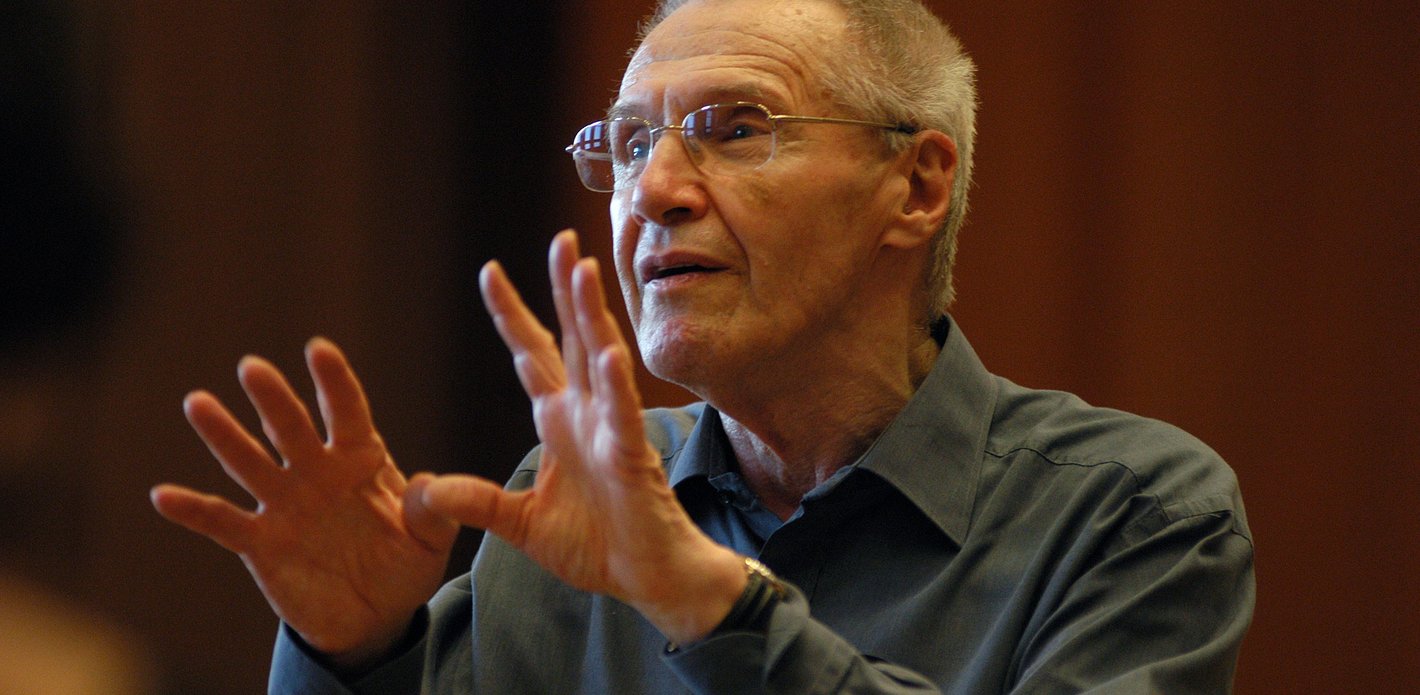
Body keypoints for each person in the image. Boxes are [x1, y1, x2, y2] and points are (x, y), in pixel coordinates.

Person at [151, 0, 1255, 692]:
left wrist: (713, 607)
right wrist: (355, 653)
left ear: (915, 185)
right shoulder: (569, 498)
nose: (656, 191)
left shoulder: (1132, 512)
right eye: (632, 144)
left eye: (735, 129)